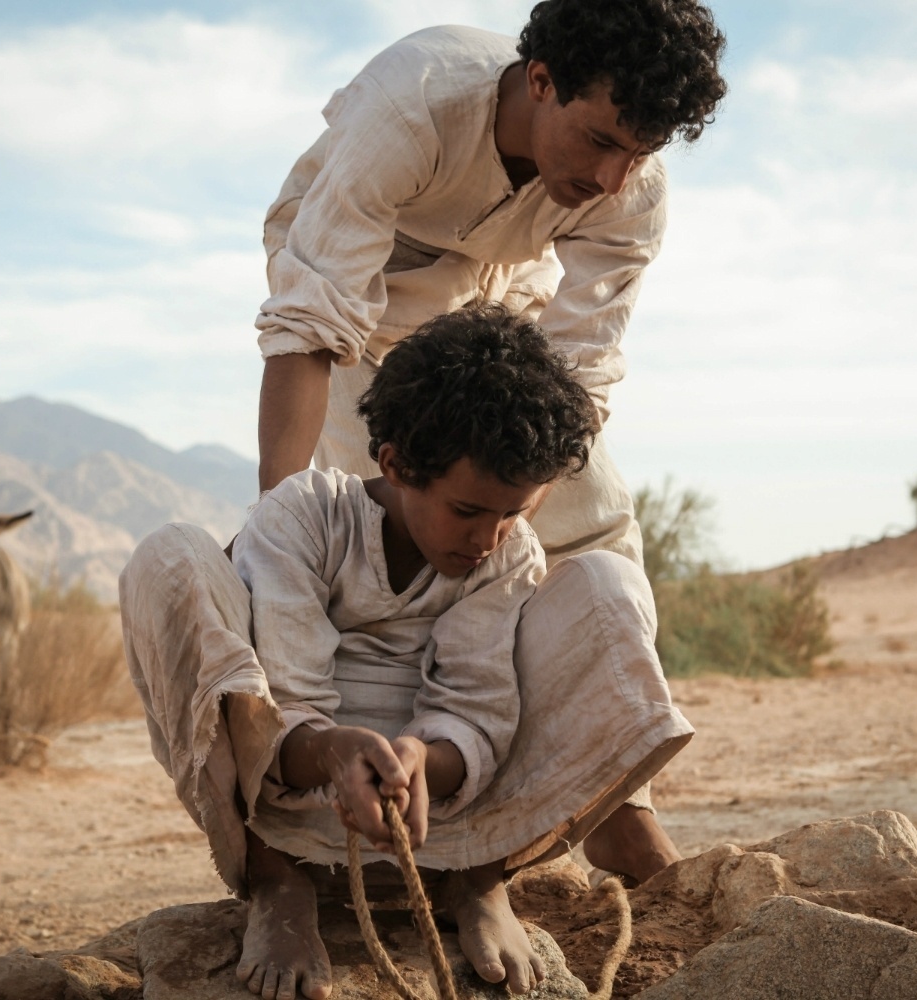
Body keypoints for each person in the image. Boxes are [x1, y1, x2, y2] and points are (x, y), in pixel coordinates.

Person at [253, 0, 726, 889]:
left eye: (642, 152)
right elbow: (310, 326)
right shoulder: (411, 107)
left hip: (497, 311)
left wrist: (513, 516)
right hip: (362, 323)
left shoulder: (631, 189)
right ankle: (339, 820)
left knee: (597, 526)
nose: (616, 177)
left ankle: (619, 812)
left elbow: (580, 375)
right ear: (539, 80)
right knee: (379, 549)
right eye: (598, 141)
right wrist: (284, 513)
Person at [121, 306, 692, 1000]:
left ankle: (478, 881)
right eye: (468, 511)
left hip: (450, 813)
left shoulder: (506, 555)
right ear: (393, 463)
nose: (488, 537)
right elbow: (286, 698)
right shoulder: (304, 516)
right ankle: (278, 881)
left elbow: (477, 706)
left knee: (608, 581)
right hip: (298, 799)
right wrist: (335, 750)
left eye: (513, 513)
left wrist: (425, 759)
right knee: (170, 555)